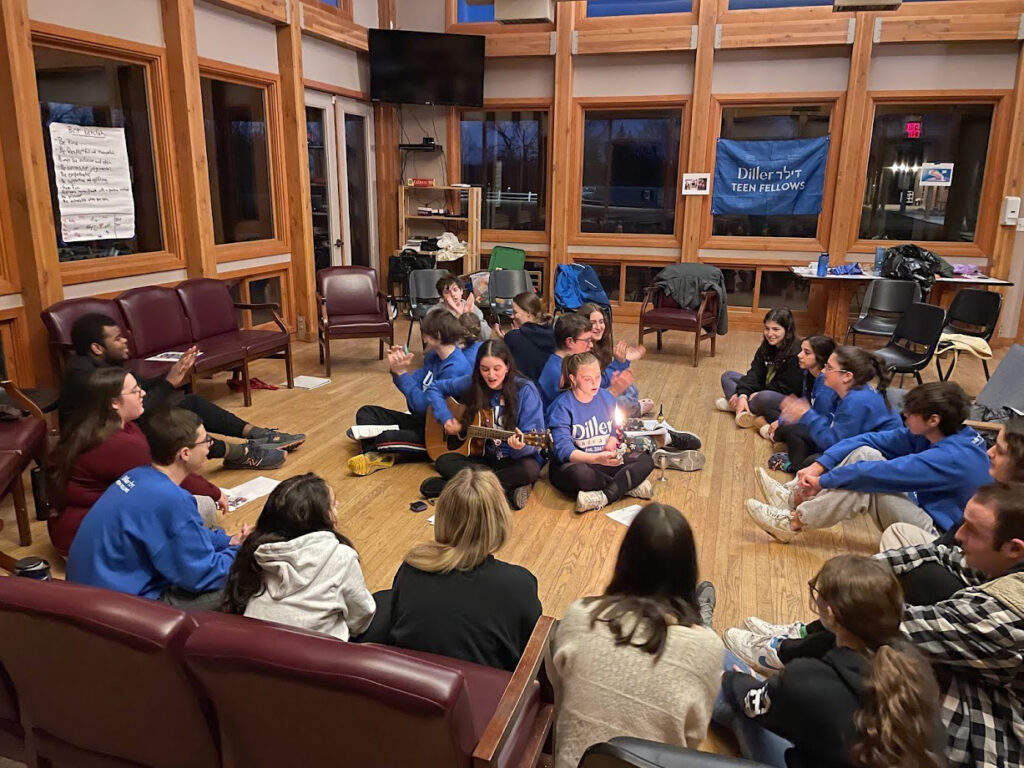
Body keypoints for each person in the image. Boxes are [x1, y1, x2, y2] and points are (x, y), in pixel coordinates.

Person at [729, 482, 1024, 768]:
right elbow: (937, 553)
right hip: (974, 686)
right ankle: (793, 644)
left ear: (1014, 549)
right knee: (921, 575)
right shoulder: (1006, 562)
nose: (959, 535)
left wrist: (737, 682)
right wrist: (862, 575)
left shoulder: (1009, 616)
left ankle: (783, 649)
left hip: (986, 740)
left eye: (972, 529)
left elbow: (875, 625)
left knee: (731, 680)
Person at [715, 555, 944, 768]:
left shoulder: (806, 680)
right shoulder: (916, 664)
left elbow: (751, 704)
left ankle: (697, 628)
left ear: (831, 614)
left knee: (720, 665)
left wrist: (739, 679)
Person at [549, 503, 724, 768]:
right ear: (688, 570)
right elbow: (692, 740)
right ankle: (700, 616)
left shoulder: (579, 615)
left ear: (624, 559)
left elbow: (562, 697)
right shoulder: (708, 649)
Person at [746, 382, 991, 542]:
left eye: (912, 412)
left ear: (933, 420)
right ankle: (792, 497)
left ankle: (793, 522)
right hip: (924, 507)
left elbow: (882, 473)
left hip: (941, 536)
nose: (904, 415)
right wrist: (820, 466)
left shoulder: (952, 457)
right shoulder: (934, 434)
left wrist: (822, 481)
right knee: (865, 452)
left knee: (866, 485)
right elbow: (868, 440)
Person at [60, 313, 302, 469]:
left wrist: (171, 377)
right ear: (96, 347)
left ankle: (258, 434)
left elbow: (142, 391)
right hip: (104, 443)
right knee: (171, 422)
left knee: (192, 402)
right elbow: (141, 416)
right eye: (117, 339)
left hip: (125, 426)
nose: (124, 341)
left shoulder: (106, 364)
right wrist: (169, 384)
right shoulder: (86, 378)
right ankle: (241, 453)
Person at [66, 408, 251, 610]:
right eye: (206, 440)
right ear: (185, 453)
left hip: (89, 593)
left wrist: (227, 541)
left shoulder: (137, 475)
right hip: (122, 607)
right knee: (247, 578)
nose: (209, 445)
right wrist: (239, 551)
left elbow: (183, 536)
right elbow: (202, 575)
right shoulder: (170, 500)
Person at [372, 467, 541, 671]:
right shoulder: (520, 585)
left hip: (410, 693)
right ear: (500, 521)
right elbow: (530, 660)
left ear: (442, 516)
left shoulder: (412, 568)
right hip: (485, 698)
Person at [46, 368, 223, 558]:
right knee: (203, 507)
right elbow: (166, 473)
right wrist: (216, 493)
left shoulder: (100, 426)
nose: (143, 394)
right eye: (135, 391)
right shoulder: (120, 444)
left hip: (71, 527)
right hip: (85, 540)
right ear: (114, 402)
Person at [221, 473, 375, 641]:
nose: (337, 507)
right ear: (321, 518)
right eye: (332, 506)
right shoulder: (341, 556)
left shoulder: (254, 552)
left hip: (259, 651)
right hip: (316, 659)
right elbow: (360, 619)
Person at [418, 340, 545, 510]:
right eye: (485, 369)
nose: (491, 375)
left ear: (507, 366)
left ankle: (464, 488)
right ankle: (499, 491)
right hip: (483, 457)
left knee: (529, 470)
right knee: (444, 460)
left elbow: (532, 441)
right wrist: (446, 417)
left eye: (497, 369)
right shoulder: (473, 383)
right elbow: (434, 388)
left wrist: (519, 447)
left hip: (513, 461)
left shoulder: (525, 390)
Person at [348, 309, 471, 475]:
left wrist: (402, 374)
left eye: (426, 334)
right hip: (421, 420)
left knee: (386, 438)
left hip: (437, 434)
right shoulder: (433, 357)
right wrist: (398, 370)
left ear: (439, 336)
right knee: (366, 412)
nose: (423, 338)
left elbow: (421, 406)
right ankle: (378, 453)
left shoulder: (456, 368)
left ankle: (377, 450)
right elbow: (415, 384)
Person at [547, 353, 656, 513]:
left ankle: (604, 496)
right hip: (578, 464)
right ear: (573, 378)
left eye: (598, 377)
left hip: (603, 461)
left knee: (645, 460)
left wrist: (612, 439)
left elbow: (615, 426)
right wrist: (596, 458)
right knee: (580, 475)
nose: (595, 383)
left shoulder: (606, 397)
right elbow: (564, 450)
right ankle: (626, 485)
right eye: (587, 379)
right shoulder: (562, 406)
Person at [769, 346, 901, 472]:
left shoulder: (857, 400)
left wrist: (807, 415)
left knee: (813, 461)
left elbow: (834, 444)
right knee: (796, 430)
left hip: (878, 460)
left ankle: (801, 476)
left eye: (829, 368)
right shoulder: (847, 391)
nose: (823, 371)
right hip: (852, 445)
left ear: (847, 376)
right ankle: (799, 471)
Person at [717, 308, 803, 428]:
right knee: (728, 377)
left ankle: (738, 407)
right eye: (767, 328)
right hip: (762, 388)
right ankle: (745, 408)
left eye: (776, 329)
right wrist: (743, 394)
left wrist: (756, 393)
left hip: (782, 396)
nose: (770, 334)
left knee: (763, 397)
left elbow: (787, 387)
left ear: (787, 330)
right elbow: (754, 372)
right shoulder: (766, 347)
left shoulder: (796, 353)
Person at [760, 334, 836, 449]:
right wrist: (782, 419)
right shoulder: (807, 373)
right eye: (801, 350)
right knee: (770, 410)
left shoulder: (826, 384)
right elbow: (804, 402)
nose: (799, 355)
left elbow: (822, 421)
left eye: (807, 352)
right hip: (807, 417)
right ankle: (780, 438)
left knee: (791, 430)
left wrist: (787, 420)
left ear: (820, 357)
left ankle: (777, 437)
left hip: (819, 429)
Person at [579, 301, 652, 417]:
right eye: (593, 323)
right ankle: (635, 409)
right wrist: (619, 362)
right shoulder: (583, 349)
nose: (598, 327)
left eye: (601, 322)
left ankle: (631, 406)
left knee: (630, 388)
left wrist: (624, 361)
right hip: (591, 395)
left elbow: (613, 377)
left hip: (601, 391)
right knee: (625, 400)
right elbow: (600, 383)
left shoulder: (600, 345)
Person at [496, 292, 555, 380]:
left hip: (522, 389)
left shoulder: (513, 337)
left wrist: (507, 338)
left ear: (528, 313)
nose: (512, 316)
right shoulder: (553, 334)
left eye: (515, 312)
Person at [437, 274, 491, 340]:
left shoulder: (471, 307)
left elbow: (485, 336)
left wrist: (470, 316)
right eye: (447, 292)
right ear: (442, 296)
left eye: (455, 290)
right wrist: (461, 315)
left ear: (461, 291)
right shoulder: (436, 312)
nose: (453, 294)